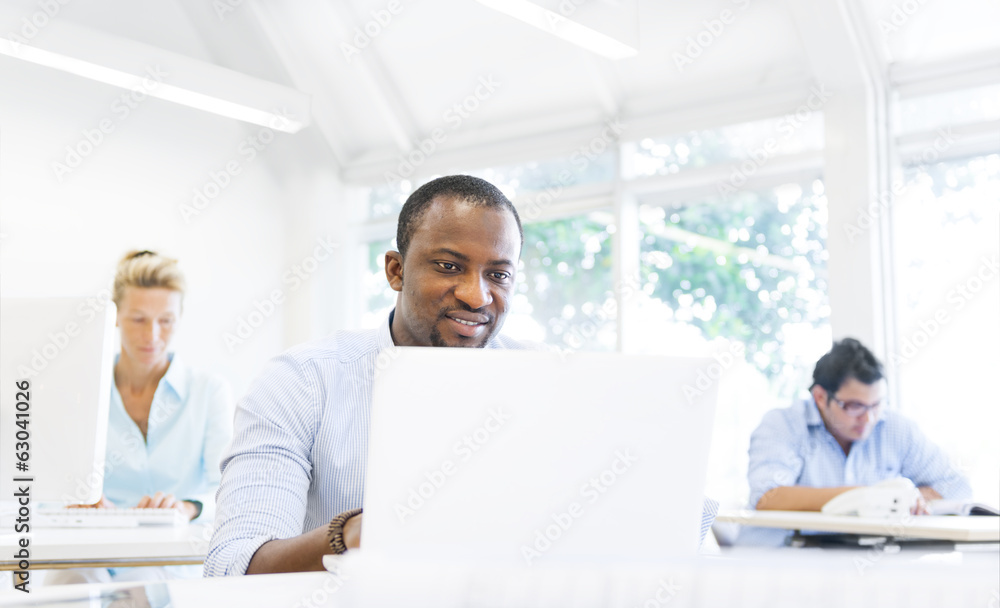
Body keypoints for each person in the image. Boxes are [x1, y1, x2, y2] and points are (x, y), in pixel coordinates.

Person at [205, 175, 718, 575]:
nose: (477, 295)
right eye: (450, 266)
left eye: (498, 274)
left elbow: (678, 533)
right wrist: (360, 534)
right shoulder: (301, 382)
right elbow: (235, 566)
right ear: (395, 270)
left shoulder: (553, 379)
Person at [50, 250, 234, 584]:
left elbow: (227, 488)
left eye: (165, 320)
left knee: (143, 589)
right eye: (138, 319)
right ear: (116, 315)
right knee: (68, 582)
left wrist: (187, 506)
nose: (152, 335)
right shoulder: (80, 391)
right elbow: (43, 489)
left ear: (179, 317)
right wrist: (78, 505)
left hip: (173, 564)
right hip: (95, 556)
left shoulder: (209, 392)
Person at [737, 337, 971, 546]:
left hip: (858, 566)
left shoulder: (896, 428)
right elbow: (767, 496)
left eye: (877, 404)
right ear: (820, 397)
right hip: (779, 561)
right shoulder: (783, 425)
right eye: (854, 406)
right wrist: (866, 497)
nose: (868, 418)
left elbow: (956, 486)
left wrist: (907, 499)